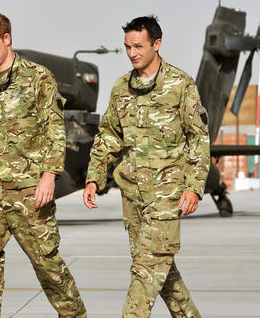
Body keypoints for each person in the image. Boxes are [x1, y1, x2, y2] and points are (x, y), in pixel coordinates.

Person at [83, 16, 209, 317]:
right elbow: (109, 136)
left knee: (146, 271)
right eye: (127, 47)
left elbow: (199, 138)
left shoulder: (180, 85)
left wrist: (194, 187)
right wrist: (93, 178)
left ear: (157, 44)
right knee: (163, 275)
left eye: (138, 46)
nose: (132, 53)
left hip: (167, 195)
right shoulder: (121, 88)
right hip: (133, 197)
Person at [0, 12, 86, 318]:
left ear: (7, 40)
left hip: (30, 193)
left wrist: (49, 176)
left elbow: (54, 130)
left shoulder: (38, 78)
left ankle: (74, 314)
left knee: (48, 265)